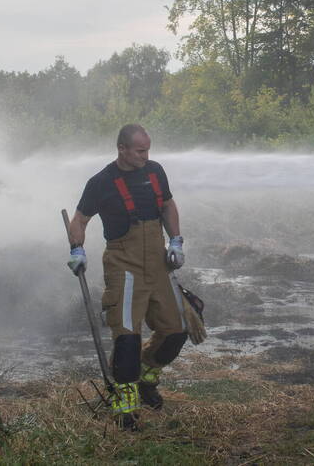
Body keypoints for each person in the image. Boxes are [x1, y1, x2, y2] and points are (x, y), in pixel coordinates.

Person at [66, 124, 187, 429]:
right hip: (123, 263)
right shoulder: (100, 182)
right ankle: (125, 401)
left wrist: (175, 240)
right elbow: (80, 219)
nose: (146, 156)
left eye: (148, 149)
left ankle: (147, 377)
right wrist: (76, 250)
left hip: (157, 261)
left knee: (178, 329)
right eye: (140, 151)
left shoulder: (155, 171)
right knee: (127, 335)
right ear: (122, 149)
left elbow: (168, 205)